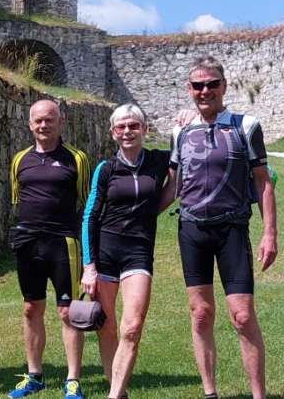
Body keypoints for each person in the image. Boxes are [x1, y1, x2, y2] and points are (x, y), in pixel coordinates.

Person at [170, 56, 278, 399]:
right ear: (189, 90)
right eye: (198, 85)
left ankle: (258, 396)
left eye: (212, 84)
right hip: (191, 230)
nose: (205, 91)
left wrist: (269, 234)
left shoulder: (246, 126)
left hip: (232, 229)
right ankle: (210, 393)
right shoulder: (180, 130)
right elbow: (172, 184)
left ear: (224, 86)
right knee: (201, 315)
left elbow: (263, 182)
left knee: (243, 316)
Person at [80, 104, 172, 399]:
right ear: (112, 133)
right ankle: (119, 392)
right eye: (121, 127)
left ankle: (113, 395)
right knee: (105, 327)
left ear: (145, 129)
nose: (127, 131)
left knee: (131, 327)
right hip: (106, 251)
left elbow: (190, 161)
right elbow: (90, 217)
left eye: (133, 126)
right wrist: (88, 265)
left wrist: (185, 124)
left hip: (139, 252)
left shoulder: (160, 161)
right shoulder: (105, 168)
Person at [7, 99, 93, 399]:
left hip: (64, 244)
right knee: (31, 308)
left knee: (68, 311)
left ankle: (72, 379)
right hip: (29, 243)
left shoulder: (77, 159)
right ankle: (35, 376)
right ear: (30, 124)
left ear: (60, 121)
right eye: (38, 121)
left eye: (49, 119)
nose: (43, 125)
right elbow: (18, 201)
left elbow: (86, 203)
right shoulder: (19, 160)